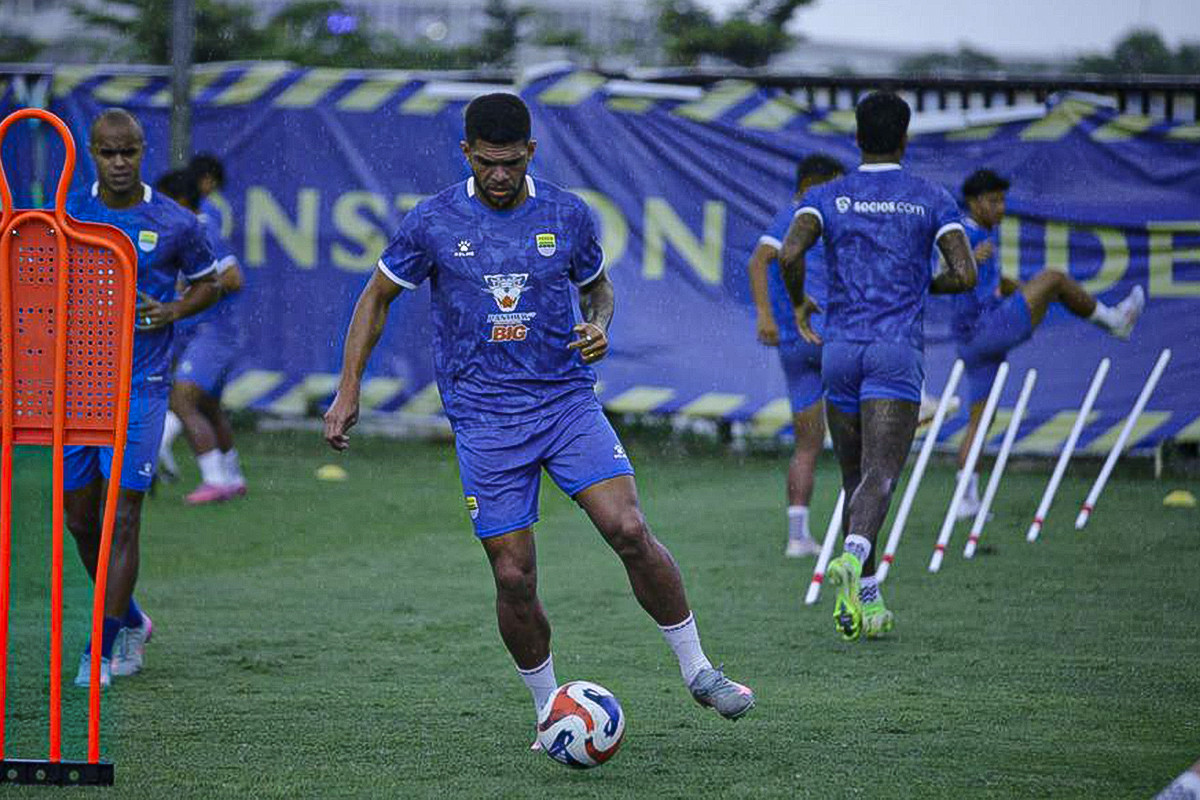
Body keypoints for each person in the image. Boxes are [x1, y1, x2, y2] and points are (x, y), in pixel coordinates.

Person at [324, 93, 754, 739]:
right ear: (467, 152)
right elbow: (376, 297)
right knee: (513, 574)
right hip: (485, 418)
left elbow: (599, 287)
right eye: (488, 163)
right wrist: (347, 389)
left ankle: (699, 671)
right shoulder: (433, 221)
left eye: (512, 162)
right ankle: (551, 711)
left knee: (629, 529)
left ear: (531, 151)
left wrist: (599, 326)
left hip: (564, 402)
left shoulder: (567, 214)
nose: (500, 175)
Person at [779, 91, 977, 641]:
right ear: (905, 138)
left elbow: (788, 254)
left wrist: (799, 302)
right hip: (894, 350)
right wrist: (921, 282)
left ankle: (866, 597)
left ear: (857, 138)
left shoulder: (828, 195)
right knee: (882, 473)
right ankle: (855, 554)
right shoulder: (930, 198)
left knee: (852, 477)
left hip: (839, 349)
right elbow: (965, 273)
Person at [65, 109, 220, 686]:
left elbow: (214, 280)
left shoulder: (174, 221)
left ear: (142, 149)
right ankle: (129, 615)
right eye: (108, 153)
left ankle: (102, 649)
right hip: (77, 389)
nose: (120, 163)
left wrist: (175, 309)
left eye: (128, 151)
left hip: (142, 388)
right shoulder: (71, 214)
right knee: (81, 520)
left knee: (122, 519)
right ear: (92, 153)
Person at [950, 169, 1144, 518]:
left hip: (972, 339)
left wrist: (1026, 292)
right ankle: (1116, 321)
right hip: (986, 327)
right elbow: (949, 264)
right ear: (974, 202)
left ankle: (966, 500)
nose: (1001, 207)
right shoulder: (964, 232)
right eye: (994, 201)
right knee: (1054, 277)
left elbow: (997, 283)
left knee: (980, 420)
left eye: (1003, 200)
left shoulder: (981, 235)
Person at [747, 154, 845, 557]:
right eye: (833, 186)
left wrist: (769, 317)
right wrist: (764, 313)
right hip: (820, 333)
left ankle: (798, 535)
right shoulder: (799, 214)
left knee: (808, 443)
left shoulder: (812, 217)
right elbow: (759, 260)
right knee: (855, 432)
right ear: (812, 185)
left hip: (793, 345)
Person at [156, 154, 248, 503]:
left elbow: (234, 277)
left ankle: (215, 480)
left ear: (180, 202)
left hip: (214, 331)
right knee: (208, 406)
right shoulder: (191, 228)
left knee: (181, 398)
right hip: (209, 331)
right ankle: (233, 477)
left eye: (164, 201)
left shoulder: (200, 228)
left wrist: (197, 290)